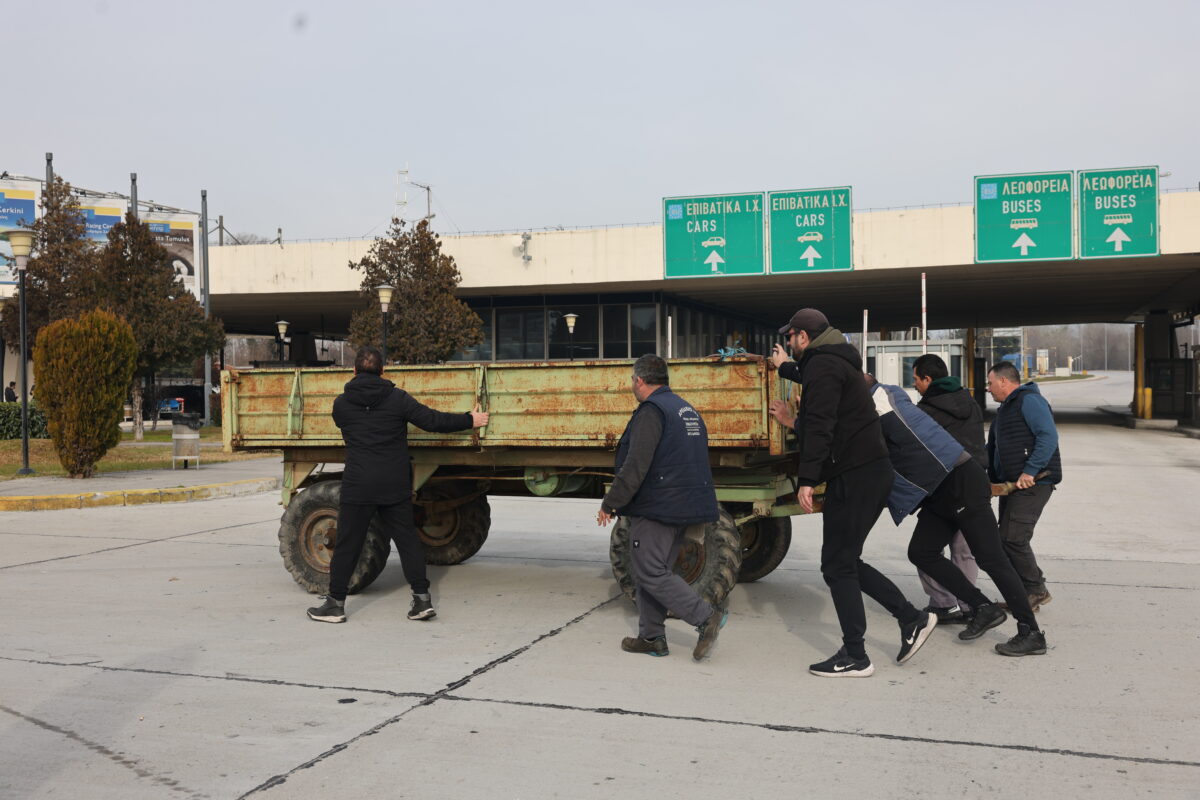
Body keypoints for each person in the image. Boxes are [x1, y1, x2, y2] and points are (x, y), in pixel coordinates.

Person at [767, 309, 935, 678]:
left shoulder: (823, 368)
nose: (789, 343)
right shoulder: (834, 361)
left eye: (791, 337)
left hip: (855, 476)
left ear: (803, 338)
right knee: (845, 561)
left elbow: (821, 426)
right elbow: (812, 377)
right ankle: (911, 619)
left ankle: (857, 655)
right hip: (868, 473)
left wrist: (807, 479)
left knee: (837, 564)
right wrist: (785, 369)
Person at [307, 346, 489, 624]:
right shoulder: (397, 399)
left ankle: (335, 604)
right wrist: (470, 420)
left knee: (348, 544)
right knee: (407, 541)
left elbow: (344, 424)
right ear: (383, 371)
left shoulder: (341, 405)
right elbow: (432, 420)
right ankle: (422, 601)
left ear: (354, 371)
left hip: (359, 485)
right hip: (394, 482)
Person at [869, 374, 1047, 656]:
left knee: (992, 558)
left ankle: (1031, 632)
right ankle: (983, 607)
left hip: (961, 483)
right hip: (939, 492)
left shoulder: (881, 400)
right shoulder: (879, 403)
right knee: (921, 551)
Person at [597, 353, 727, 661]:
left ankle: (705, 616)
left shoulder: (651, 411)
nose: (632, 385)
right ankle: (651, 637)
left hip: (661, 505)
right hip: (687, 502)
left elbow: (635, 465)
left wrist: (611, 502)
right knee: (653, 569)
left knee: (651, 570)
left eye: (632, 380)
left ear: (639, 380)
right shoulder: (686, 409)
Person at [912, 354, 984, 624]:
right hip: (975, 484)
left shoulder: (927, 410)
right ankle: (968, 606)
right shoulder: (971, 402)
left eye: (916, 379)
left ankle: (943, 603)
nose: (915, 385)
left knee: (924, 550)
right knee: (964, 550)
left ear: (928, 379)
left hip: (943, 488)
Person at [986, 361, 1062, 611]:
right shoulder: (1005, 410)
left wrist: (1031, 469)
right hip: (1012, 485)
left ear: (1004, 381)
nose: (988, 388)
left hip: (1035, 482)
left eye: (990, 383)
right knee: (1002, 540)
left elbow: (1048, 435)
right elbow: (993, 450)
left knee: (1013, 538)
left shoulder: (1029, 400)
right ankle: (1024, 596)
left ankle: (1036, 590)